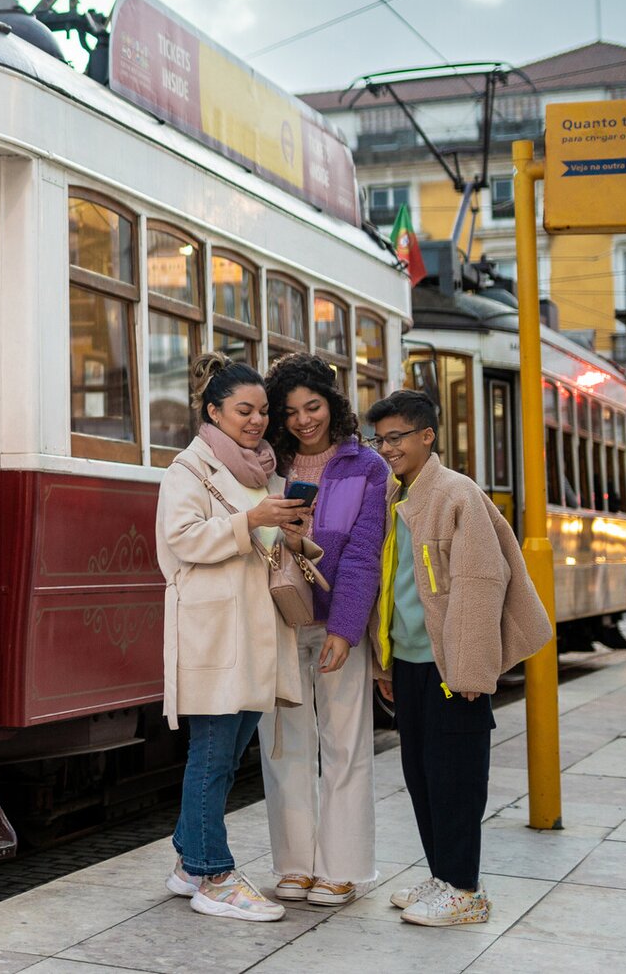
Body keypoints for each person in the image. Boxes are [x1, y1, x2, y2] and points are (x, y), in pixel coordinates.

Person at [367, 389, 551, 928]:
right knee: (422, 775)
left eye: (396, 437)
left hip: (453, 666)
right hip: (413, 662)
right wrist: (385, 664)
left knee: (456, 777)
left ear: (427, 436)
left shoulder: (456, 495)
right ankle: (442, 874)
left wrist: (473, 668)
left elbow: (479, 582)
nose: (388, 449)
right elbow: (388, 586)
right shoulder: (396, 497)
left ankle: (465, 889)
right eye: (380, 440)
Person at [158, 353, 308, 922]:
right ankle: (212, 875)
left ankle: (185, 863)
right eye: (243, 410)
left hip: (254, 628)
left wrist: (289, 531)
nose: (256, 420)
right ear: (213, 410)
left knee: (228, 750)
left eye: (262, 411)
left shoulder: (261, 473)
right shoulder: (188, 470)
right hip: (215, 630)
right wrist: (250, 522)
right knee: (213, 753)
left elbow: (260, 546)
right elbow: (182, 539)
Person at [260, 353, 391, 907]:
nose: (302, 420)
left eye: (312, 406)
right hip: (278, 622)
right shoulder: (265, 463)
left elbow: (364, 553)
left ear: (331, 405)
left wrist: (345, 627)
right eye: (289, 411)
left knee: (345, 745)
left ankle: (341, 868)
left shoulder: (366, 467)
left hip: (337, 623)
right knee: (283, 746)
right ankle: (294, 866)